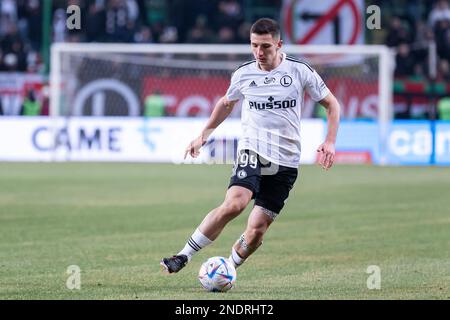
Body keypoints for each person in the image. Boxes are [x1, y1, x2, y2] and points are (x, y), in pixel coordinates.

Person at [160, 18, 340, 273]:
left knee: (256, 231)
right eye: (254, 45)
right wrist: (204, 134)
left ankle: (228, 268)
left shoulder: (300, 71)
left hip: (286, 162)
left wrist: (330, 141)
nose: (259, 52)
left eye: (265, 46)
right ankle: (183, 256)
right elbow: (226, 103)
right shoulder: (244, 73)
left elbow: (332, 104)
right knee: (235, 203)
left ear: (279, 44)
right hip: (253, 150)